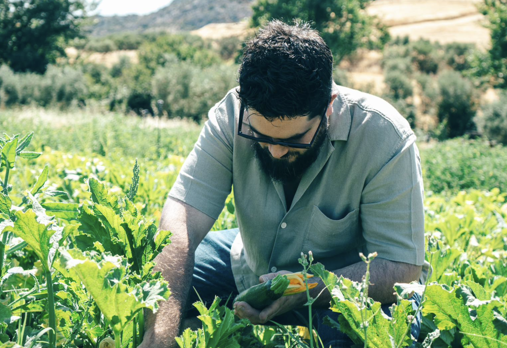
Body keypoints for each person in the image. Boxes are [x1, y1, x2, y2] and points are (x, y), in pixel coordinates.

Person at [140, 20, 427, 348]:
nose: (275, 150)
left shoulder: (383, 135)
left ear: (328, 107)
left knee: (370, 334)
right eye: (260, 136)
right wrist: (159, 336)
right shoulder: (232, 113)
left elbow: (401, 267)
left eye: (294, 139)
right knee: (149, 295)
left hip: (347, 287)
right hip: (249, 264)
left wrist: (308, 286)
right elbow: (181, 221)